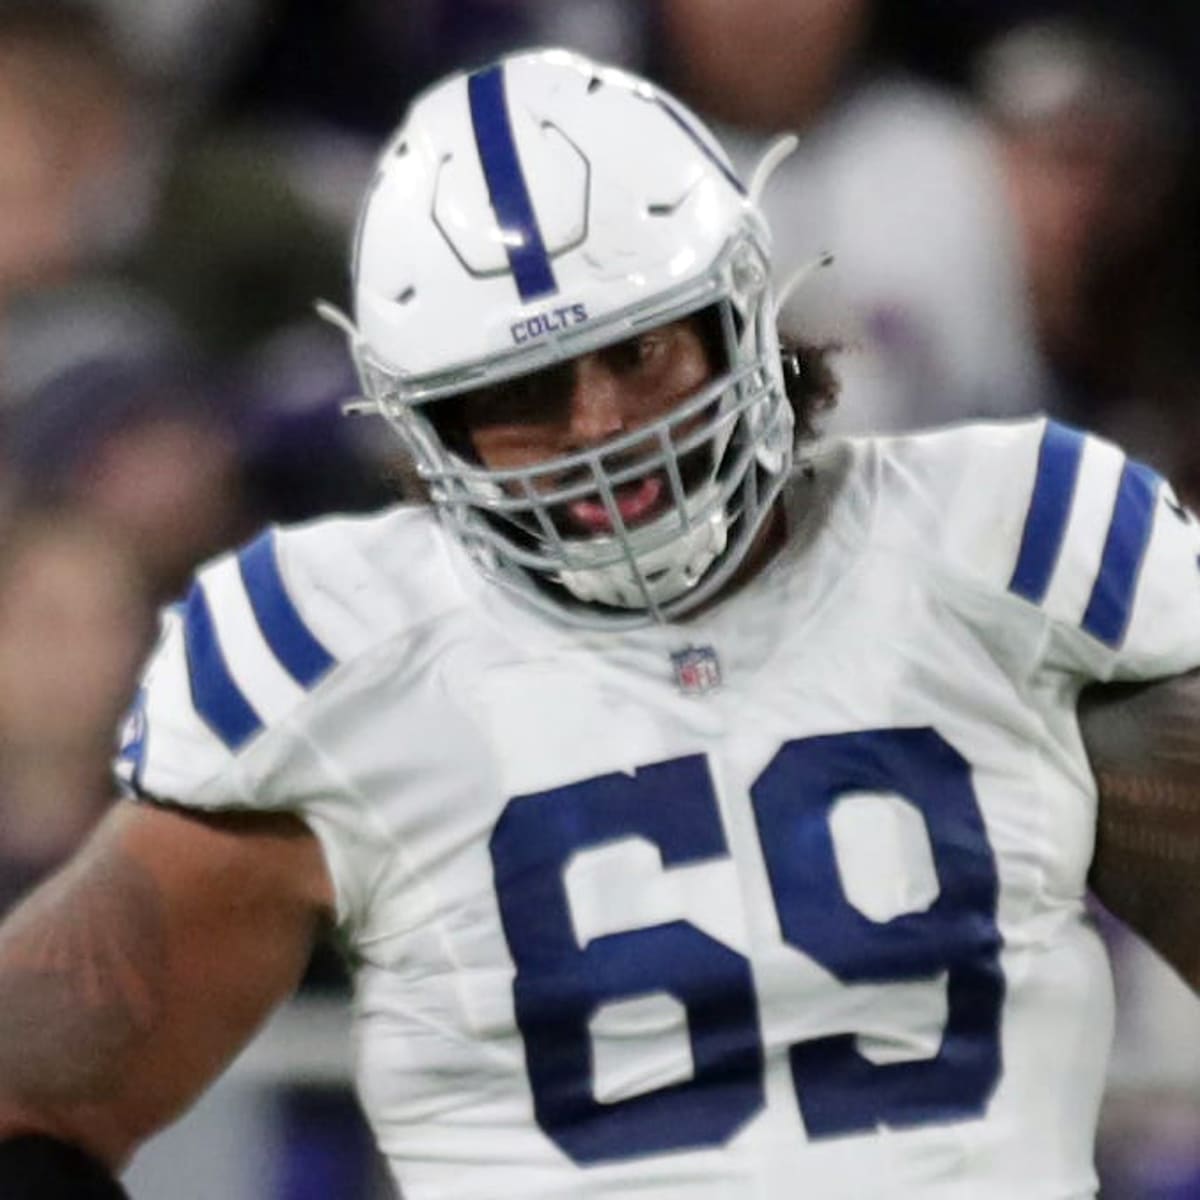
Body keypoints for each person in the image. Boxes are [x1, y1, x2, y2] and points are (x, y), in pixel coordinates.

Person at [0, 46, 1197, 1200]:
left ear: (740, 315)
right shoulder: (344, 654)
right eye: (521, 394)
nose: (599, 428)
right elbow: (30, 1107)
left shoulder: (1009, 549)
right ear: (427, 429)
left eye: (641, 350)